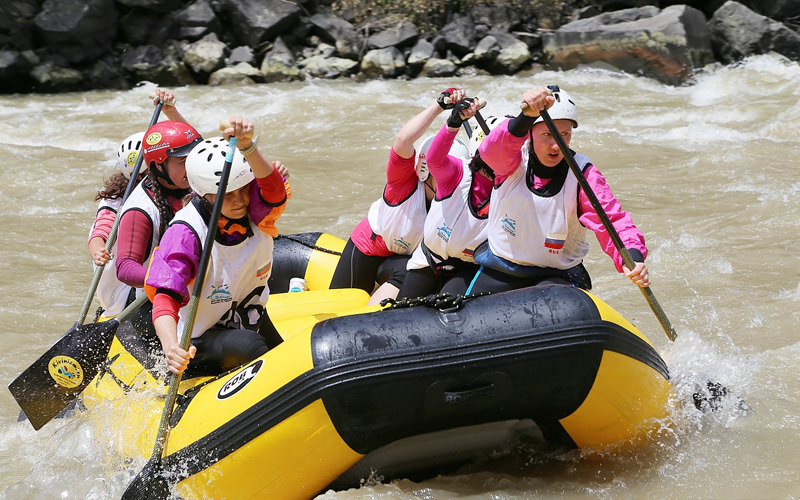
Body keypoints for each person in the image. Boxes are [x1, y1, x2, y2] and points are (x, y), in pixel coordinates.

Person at [465, 85, 650, 294]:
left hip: (556, 275)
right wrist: (525, 116)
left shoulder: (583, 173)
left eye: (564, 133)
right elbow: (491, 151)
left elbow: (612, 220)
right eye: (547, 134)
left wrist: (632, 256)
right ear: (530, 135)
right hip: (501, 268)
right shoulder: (513, 159)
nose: (556, 145)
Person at [144, 116, 289, 377]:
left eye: (243, 190)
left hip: (248, 320)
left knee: (284, 355)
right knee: (251, 346)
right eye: (229, 194)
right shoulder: (186, 233)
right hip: (199, 342)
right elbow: (165, 298)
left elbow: (274, 191)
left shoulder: (254, 212)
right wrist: (171, 348)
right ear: (206, 196)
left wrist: (248, 147)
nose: (240, 201)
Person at [328, 87, 470, 305]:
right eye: (444, 170)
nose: (451, 178)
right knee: (337, 305)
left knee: (413, 271)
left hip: (404, 261)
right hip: (369, 250)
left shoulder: (458, 199)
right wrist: (440, 106)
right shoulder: (403, 183)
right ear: (424, 170)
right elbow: (403, 140)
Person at [88, 89, 186, 318]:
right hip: (126, 294)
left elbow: (198, 148)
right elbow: (101, 229)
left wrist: (172, 113)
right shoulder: (120, 203)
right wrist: (97, 249)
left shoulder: (174, 187)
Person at [396, 98, 501, 299]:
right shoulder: (458, 172)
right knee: (402, 310)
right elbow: (435, 158)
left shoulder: (510, 185)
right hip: (428, 260)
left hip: (467, 268)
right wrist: (453, 123)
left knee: (447, 307)